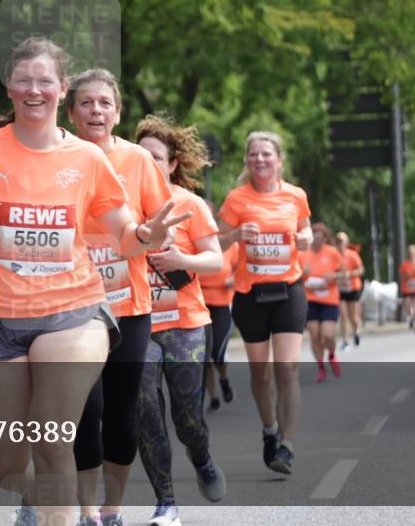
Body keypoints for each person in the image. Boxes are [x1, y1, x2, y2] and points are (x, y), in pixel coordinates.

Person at [0, 38, 190, 526]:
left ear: (60, 88)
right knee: (6, 466)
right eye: (24, 80)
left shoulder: (88, 161)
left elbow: (124, 237)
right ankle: (49, 497)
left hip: (72, 313)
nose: (34, 90)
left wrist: (145, 235)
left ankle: (66, 510)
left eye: (44, 81)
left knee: (53, 439)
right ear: (9, 87)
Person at [64, 70, 172, 526]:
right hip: (71, 307)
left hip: (129, 305)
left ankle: (112, 508)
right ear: (70, 112)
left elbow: (160, 225)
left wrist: (152, 236)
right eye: (86, 103)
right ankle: (88, 511)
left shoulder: (138, 161)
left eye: (105, 103)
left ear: (118, 112)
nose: (96, 111)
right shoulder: (55, 157)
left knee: (123, 411)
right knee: (86, 410)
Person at [135, 115, 227, 526]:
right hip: (137, 325)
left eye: (156, 157)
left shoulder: (189, 204)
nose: (148, 163)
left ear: (172, 163)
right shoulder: (118, 206)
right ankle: (166, 501)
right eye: (141, 156)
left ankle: (202, 455)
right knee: (145, 410)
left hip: (186, 322)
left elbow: (214, 258)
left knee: (188, 416)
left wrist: (181, 260)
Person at [216, 131, 312, 475]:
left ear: (279, 160)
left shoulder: (295, 196)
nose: (260, 159)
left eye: (266, 154)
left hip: (288, 290)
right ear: (247, 161)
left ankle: (286, 446)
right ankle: (269, 428)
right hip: (250, 296)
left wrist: (305, 238)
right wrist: (235, 236)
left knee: (287, 369)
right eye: (254, 154)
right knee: (261, 373)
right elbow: (215, 241)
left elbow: (306, 231)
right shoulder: (237, 199)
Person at [299, 224, 343, 382]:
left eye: (319, 238)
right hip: (310, 300)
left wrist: (333, 277)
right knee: (315, 335)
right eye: (314, 238)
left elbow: (342, 273)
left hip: (329, 299)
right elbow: (295, 277)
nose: (316, 242)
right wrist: (303, 275)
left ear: (324, 238)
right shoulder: (303, 253)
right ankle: (321, 367)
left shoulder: (332, 253)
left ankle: (331, 355)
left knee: (328, 335)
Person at [203, 239, 239, 412]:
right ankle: (214, 397)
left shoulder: (230, 245)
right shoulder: (189, 245)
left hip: (223, 301)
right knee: (204, 356)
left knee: (218, 352)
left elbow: (243, 267)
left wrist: (234, 278)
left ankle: (223, 379)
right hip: (199, 304)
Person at [334, 232, 364, 349]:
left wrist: (350, 274)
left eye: (341, 241)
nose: (339, 244)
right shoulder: (334, 255)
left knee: (353, 316)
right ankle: (345, 340)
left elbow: (361, 270)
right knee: (343, 314)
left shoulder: (352, 255)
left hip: (353, 288)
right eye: (337, 241)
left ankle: (356, 331)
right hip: (340, 288)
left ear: (346, 243)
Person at [399, 245, 415, 333]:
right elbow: (402, 277)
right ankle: (410, 318)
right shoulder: (404, 264)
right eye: (410, 252)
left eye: (413, 252)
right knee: (407, 307)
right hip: (406, 289)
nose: (411, 254)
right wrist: (407, 276)